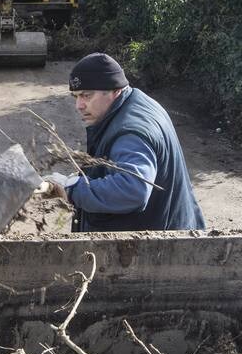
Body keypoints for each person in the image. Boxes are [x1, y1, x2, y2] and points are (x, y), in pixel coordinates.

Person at [45, 52, 206, 232]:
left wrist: (72, 188)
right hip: (166, 232)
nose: (79, 105)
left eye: (86, 95)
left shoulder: (130, 132)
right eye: (76, 97)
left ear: (115, 90)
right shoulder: (135, 102)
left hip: (160, 251)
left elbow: (134, 189)